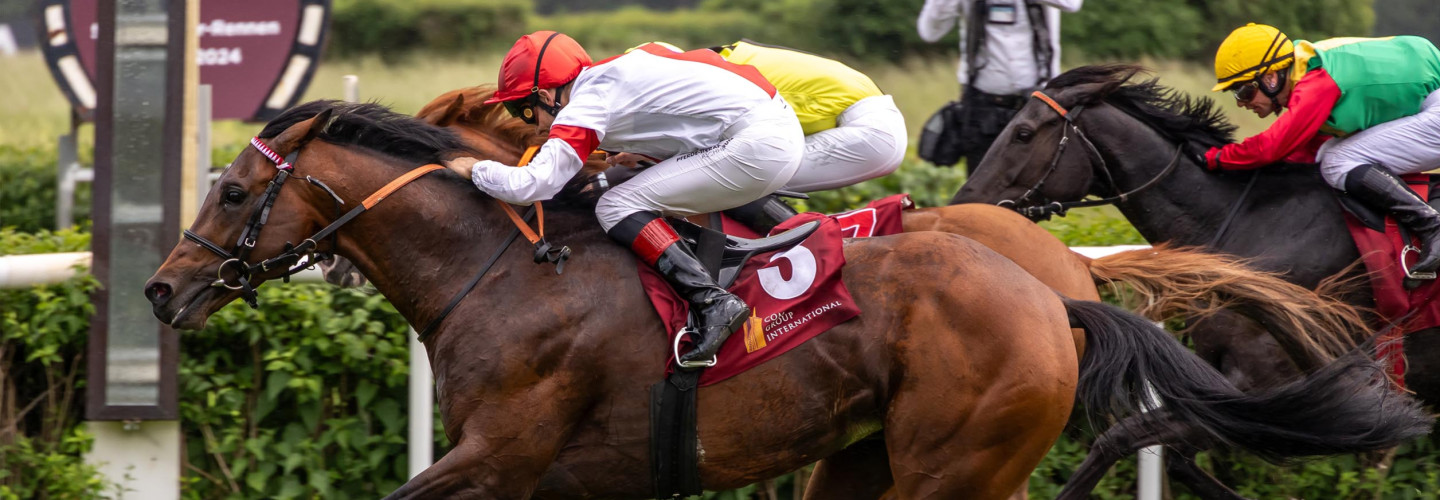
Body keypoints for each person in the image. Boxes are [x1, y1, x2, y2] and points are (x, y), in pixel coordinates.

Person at [443, 31, 807, 363]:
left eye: (522, 109)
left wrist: (475, 169)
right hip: (772, 131)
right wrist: (640, 149)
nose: (533, 125)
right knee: (639, 189)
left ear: (545, 95)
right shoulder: (613, 72)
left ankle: (713, 302)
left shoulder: (586, 102)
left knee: (616, 204)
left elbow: (534, 186)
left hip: (759, 146)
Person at [1201, 23, 1440, 275]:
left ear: (1271, 78)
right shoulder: (1306, 70)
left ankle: (1431, 226)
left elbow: (1272, 146)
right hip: (1429, 98)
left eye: (1244, 91)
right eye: (1235, 94)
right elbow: (1303, 151)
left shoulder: (1316, 84)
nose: (1241, 103)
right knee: (1328, 155)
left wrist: (1216, 158)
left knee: (1337, 161)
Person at [607, 40, 908, 232]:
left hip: (868, 129)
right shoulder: (707, 63)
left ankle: (809, 247)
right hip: (872, 119)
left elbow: (698, 143)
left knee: (733, 173)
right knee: (730, 168)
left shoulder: (706, 74)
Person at [917, 0, 1083, 174]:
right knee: (981, 193)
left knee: (1040, 188)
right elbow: (929, 32)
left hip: (1039, 108)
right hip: (981, 111)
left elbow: (1071, 4)